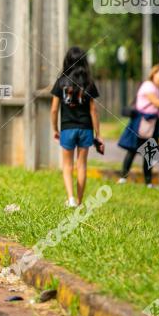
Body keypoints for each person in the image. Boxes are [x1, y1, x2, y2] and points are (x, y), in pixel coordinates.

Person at [117, 63, 159, 186]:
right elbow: (157, 103)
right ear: (154, 74)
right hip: (141, 122)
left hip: (154, 123)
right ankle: (123, 177)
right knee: (132, 150)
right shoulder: (147, 86)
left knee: (149, 155)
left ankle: (148, 182)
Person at [50, 47, 102, 208]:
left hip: (67, 128)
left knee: (67, 165)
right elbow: (93, 110)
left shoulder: (61, 82)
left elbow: (54, 109)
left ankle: (70, 198)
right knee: (82, 165)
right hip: (85, 128)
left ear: (67, 61)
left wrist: (55, 129)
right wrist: (97, 133)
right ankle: (79, 201)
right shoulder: (89, 83)